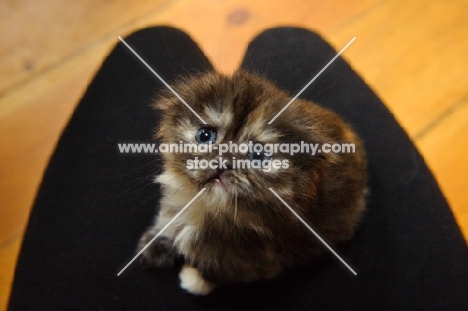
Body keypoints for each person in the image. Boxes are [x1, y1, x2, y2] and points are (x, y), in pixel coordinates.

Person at [8, 27, 468, 310]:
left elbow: (261, 268)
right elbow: (177, 198)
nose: (223, 160)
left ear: (304, 182)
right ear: (173, 122)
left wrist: (208, 272)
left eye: (259, 156)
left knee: (153, 39)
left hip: (258, 237)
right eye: (207, 137)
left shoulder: (252, 240)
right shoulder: (183, 170)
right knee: (289, 40)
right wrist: (169, 229)